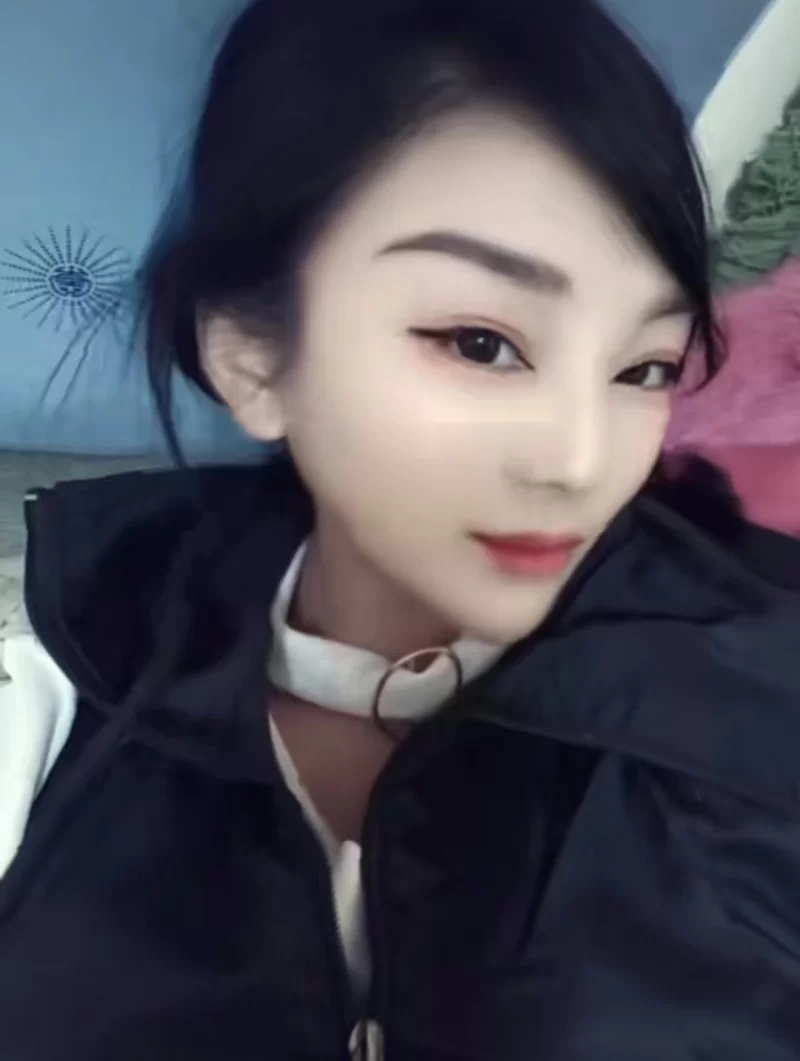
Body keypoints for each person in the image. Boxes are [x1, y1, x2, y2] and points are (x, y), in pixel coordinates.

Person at [1, 1, 799, 1057]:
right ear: (251, 357)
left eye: (642, 367)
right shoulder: (52, 699)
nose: (580, 461)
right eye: (480, 342)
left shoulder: (761, 691)